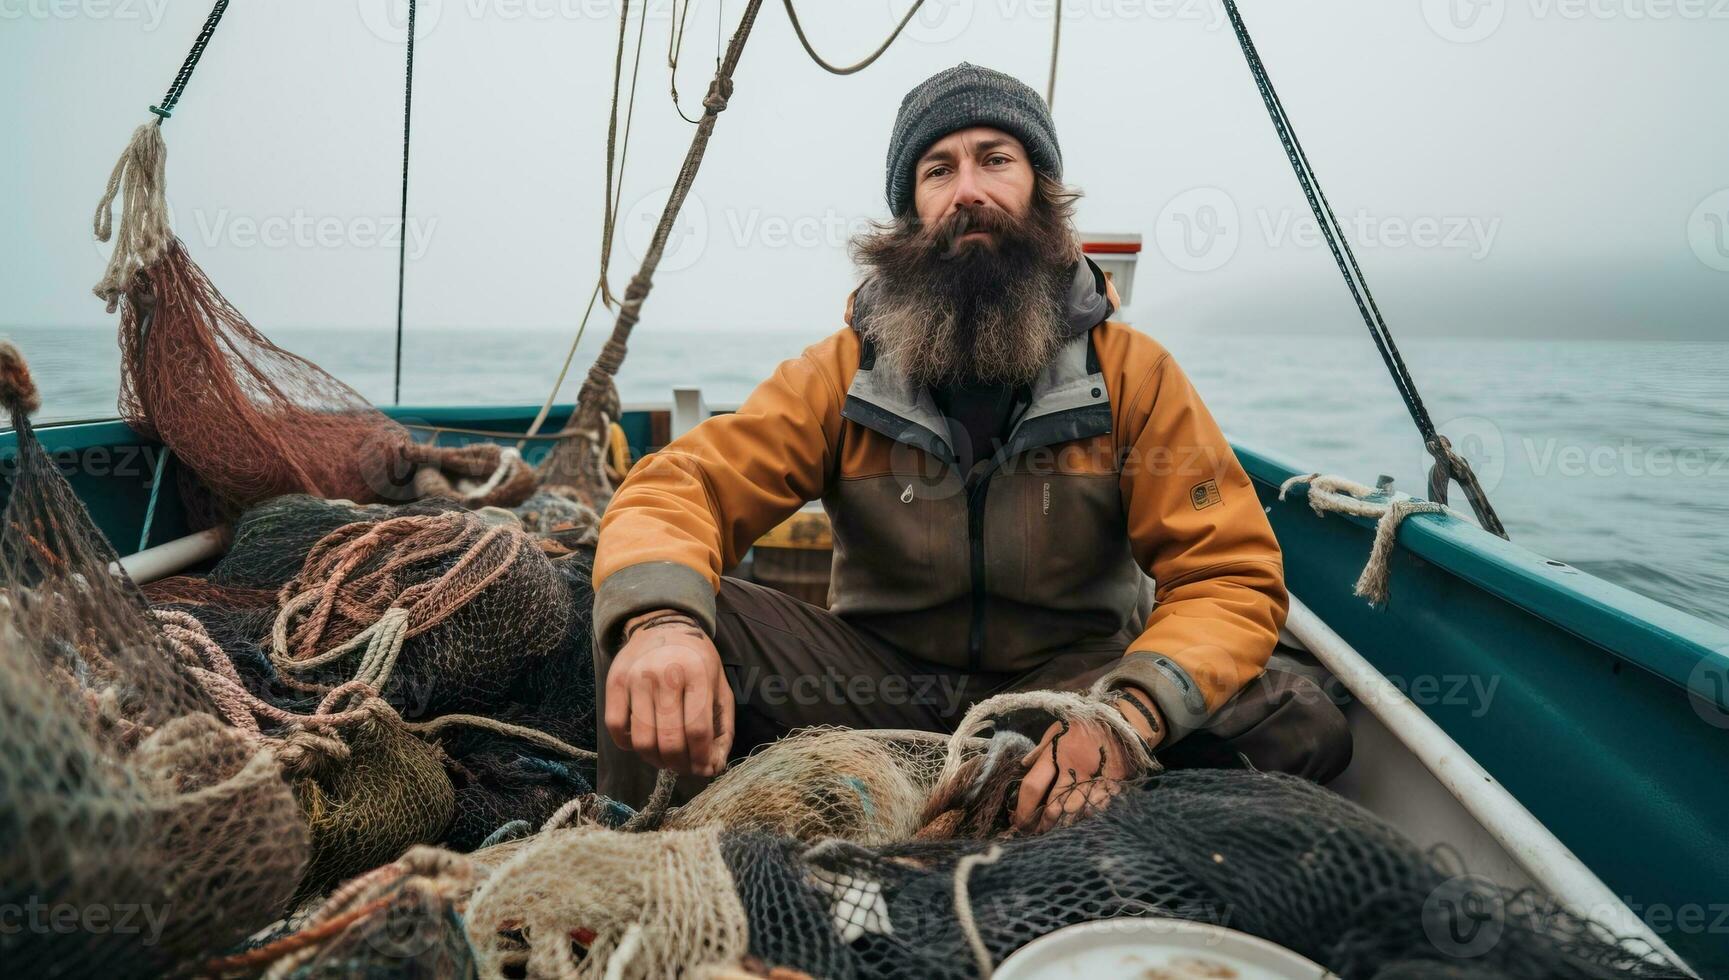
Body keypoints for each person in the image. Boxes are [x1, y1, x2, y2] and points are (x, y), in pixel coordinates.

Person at [591, 63, 1350, 830]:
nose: (968, 191)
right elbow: (685, 486)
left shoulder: (1133, 375)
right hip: (868, 686)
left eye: (995, 160)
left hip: (1065, 688)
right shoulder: (839, 374)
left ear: (1041, 190)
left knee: (1293, 719)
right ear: (911, 212)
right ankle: (641, 852)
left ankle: (1056, 806)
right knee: (657, 615)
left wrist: (1127, 716)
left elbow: (1224, 574)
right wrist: (663, 627)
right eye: (938, 170)